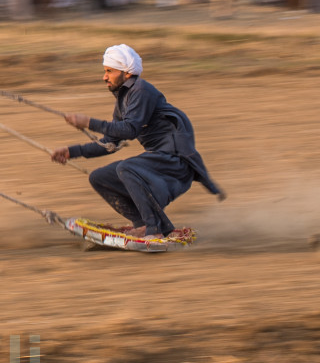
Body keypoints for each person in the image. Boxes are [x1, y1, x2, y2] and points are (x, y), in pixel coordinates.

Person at [50, 44, 225, 239]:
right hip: (158, 161)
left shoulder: (142, 90)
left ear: (126, 73)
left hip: (175, 161)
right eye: (105, 71)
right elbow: (110, 143)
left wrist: (89, 122)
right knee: (99, 177)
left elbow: (130, 129)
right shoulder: (123, 101)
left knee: (127, 168)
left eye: (109, 71)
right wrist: (72, 151)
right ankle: (143, 224)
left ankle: (155, 229)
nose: (104, 77)